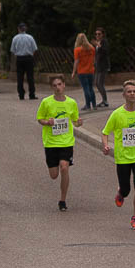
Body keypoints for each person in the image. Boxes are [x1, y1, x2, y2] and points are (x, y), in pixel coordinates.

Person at [101, 80, 135, 230]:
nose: (132, 94)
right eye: (129, 91)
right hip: (122, 157)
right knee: (126, 190)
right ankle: (121, 193)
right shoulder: (117, 114)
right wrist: (105, 145)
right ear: (124, 95)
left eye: (134, 91)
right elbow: (105, 132)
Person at [37, 75, 82, 211]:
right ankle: (54, 165)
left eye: (60, 84)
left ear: (64, 85)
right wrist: (47, 122)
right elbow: (40, 119)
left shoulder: (71, 103)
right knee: (54, 175)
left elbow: (75, 121)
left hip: (66, 142)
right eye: (55, 85)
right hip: (51, 142)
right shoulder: (46, 102)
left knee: (64, 167)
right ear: (52, 87)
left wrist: (79, 123)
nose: (58, 88)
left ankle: (62, 200)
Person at [11, 23, 38, 100]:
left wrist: (17, 56)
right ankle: (32, 94)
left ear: (18, 29)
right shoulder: (30, 37)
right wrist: (31, 55)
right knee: (30, 77)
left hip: (19, 58)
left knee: (20, 77)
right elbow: (34, 49)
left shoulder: (15, 38)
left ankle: (21, 95)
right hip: (28, 58)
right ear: (25, 29)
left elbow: (13, 50)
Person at [70, 32, 97, 111]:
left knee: (86, 88)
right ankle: (94, 105)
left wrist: (73, 72)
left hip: (82, 71)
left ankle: (88, 105)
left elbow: (76, 61)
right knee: (91, 88)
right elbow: (94, 60)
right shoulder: (92, 48)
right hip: (90, 71)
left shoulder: (77, 50)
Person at [92, 27, 110, 107]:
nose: (97, 36)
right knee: (97, 83)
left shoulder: (104, 42)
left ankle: (105, 100)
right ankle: (104, 100)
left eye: (99, 34)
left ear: (102, 34)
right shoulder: (98, 43)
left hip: (103, 66)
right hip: (97, 66)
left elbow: (105, 51)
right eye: (96, 34)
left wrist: (98, 45)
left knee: (100, 83)